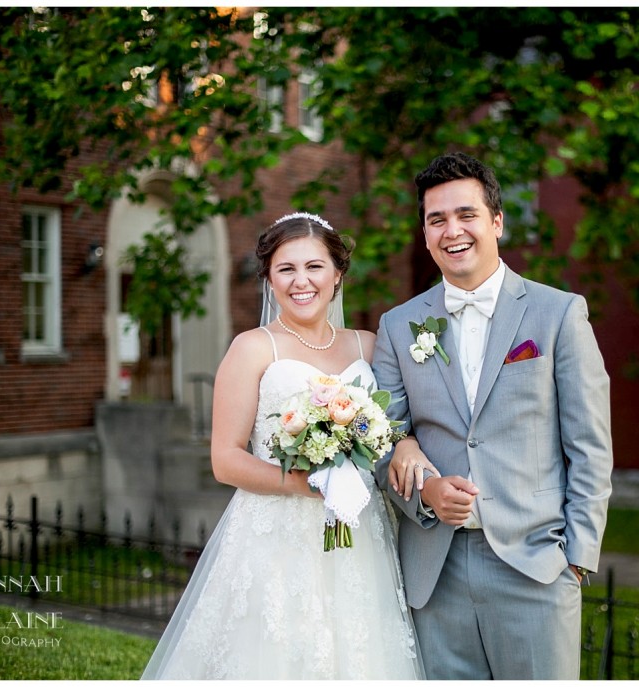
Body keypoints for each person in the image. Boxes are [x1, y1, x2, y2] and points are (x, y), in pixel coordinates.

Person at [142, 212, 428, 680]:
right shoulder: (253, 348)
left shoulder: (370, 347)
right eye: (286, 269)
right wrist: (304, 483)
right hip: (276, 532)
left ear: (337, 274)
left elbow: (397, 425)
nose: (302, 281)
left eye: (315, 267)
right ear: (269, 280)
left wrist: (407, 443)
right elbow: (226, 459)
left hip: (359, 530)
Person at [372, 152, 614, 680]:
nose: (452, 231)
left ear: (497, 222)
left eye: (466, 215)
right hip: (435, 569)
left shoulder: (558, 314)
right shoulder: (398, 326)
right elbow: (380, 440)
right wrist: (425, 492)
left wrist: (575, 559)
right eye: (437, 219)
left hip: (536, 566)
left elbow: (591, 446)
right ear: (425, 231)